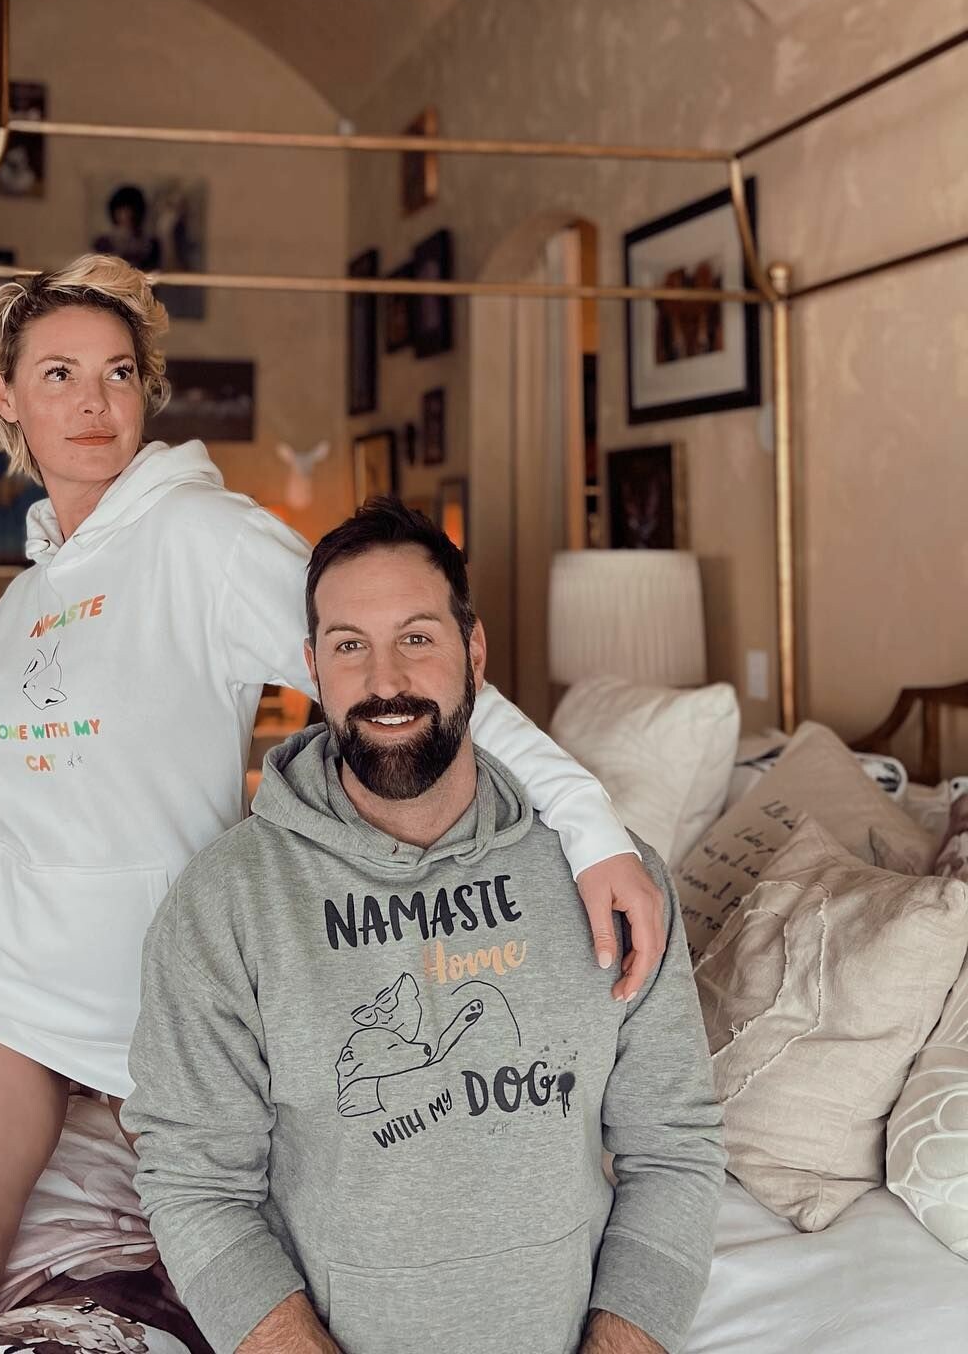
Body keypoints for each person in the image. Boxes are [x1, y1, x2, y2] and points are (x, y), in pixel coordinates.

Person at [0, 255, 665, 1341]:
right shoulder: (20, 602)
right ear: (6, 398)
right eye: (60, 373)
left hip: (178, 993)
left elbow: (407, 671)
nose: (94, 401)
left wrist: (589, 826)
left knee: (305, 1286)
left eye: (120, 373)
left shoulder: (206, 539)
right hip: (4, 975)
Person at [124, 499, 724, 1354]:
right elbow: (195, 1186)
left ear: (474, 653)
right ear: (311, 668)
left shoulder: (616, 888)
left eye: (416, 637)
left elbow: (674, 1149)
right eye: (349, 646)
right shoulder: (225, 903)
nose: (385, 681)